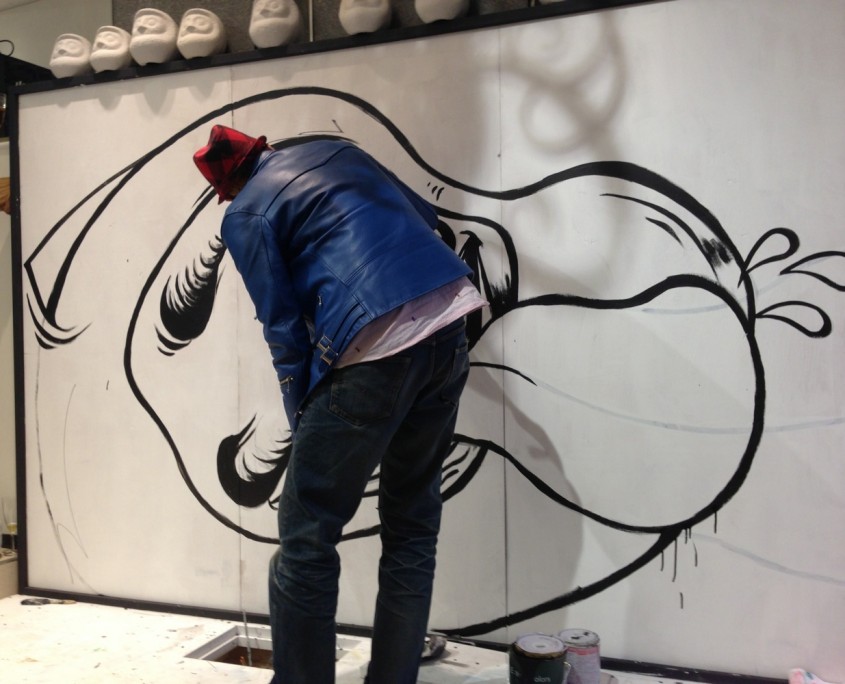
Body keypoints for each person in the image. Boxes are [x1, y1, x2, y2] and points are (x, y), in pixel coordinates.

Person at [193, 125, 486, 684]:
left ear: (226, 188)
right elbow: (426, 218)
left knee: (305, 538)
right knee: (412, 524)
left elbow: (282, 326)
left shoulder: (245, 214)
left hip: (371, 349)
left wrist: (300, 412)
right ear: (263, 149)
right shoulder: (339, 148)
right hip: (449, 323)